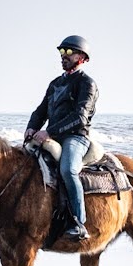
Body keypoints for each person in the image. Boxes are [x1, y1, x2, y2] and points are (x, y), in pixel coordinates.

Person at [24, 35, 98, 242]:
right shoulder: (55, 83)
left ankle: (79, 223)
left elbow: (80, 117)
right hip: (54, 135)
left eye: (68, 52)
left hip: (75, 137)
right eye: (61, 52)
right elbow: (41, 111)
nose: (63, 56)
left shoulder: (87, 83)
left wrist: (49, 132)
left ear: (82, 57)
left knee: (67, 169)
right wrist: (31, 127)